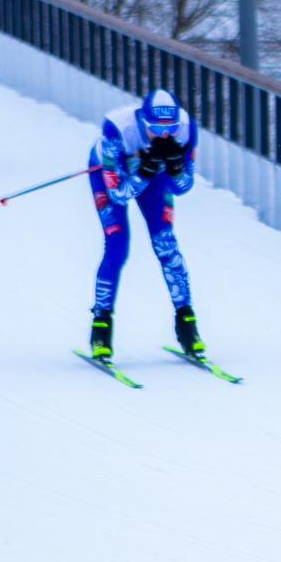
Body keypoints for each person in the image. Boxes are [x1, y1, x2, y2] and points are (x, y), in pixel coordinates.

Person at [86, 88, 206, 365]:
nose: (165, 135)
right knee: (117, 247)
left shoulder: (187, 129)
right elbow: (118, 195)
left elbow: (183, 187)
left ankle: (187, 323)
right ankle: (101, 327)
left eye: (170, 128)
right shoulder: (117, 128)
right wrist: (143, 171)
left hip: (152, 175)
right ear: (143, 122)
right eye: (156, 128)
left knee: (166, 243)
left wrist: (175, 169)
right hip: (113, 175)